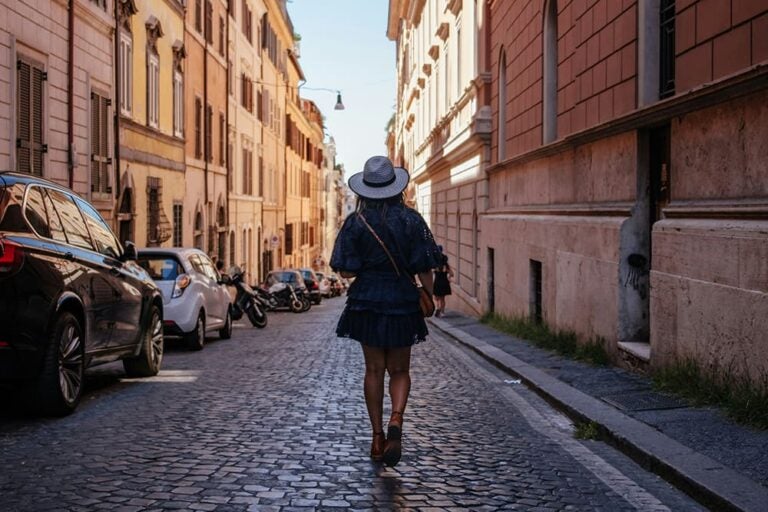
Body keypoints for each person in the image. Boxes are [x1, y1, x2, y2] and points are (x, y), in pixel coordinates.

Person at [331, 155, 440, 467]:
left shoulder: (355, 222)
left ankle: (377, 437)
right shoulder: (411, 219)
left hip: (367, 301)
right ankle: (396, 418)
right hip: (403, 301)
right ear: (396, 188)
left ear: (365, 190)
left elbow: (347, 271)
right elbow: (425, 266)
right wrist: (428, 296)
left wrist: (367, 265)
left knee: (374, 370)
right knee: (401, 370)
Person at [432, 246, 454, 317]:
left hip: (437, 282)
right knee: (442, 298)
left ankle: (438, 308)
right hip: (444, 282)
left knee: (437, 297)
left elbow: (431, 273)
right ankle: (442, 312)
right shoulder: (446, 265)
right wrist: (449, 277)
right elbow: (452, 274)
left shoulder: (435, 264)